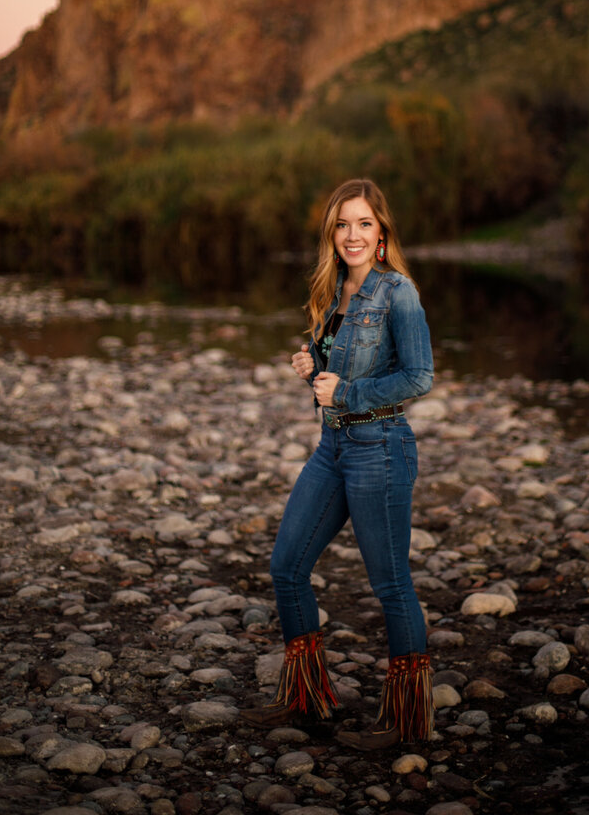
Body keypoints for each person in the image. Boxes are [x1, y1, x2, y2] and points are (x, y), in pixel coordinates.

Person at [241, 178, 435, 750]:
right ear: (333, 232)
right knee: (287, 567)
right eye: (343, 224)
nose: (353, 234)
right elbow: (339, 366)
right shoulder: (334, 292)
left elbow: (419, 376)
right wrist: (313, 364)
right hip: (333, 449)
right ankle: (306, 701)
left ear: (382, 233)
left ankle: (407, 724)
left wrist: (345, 393)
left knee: (391, 584)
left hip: (381, 449)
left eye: (364, 224)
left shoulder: (397, 292)